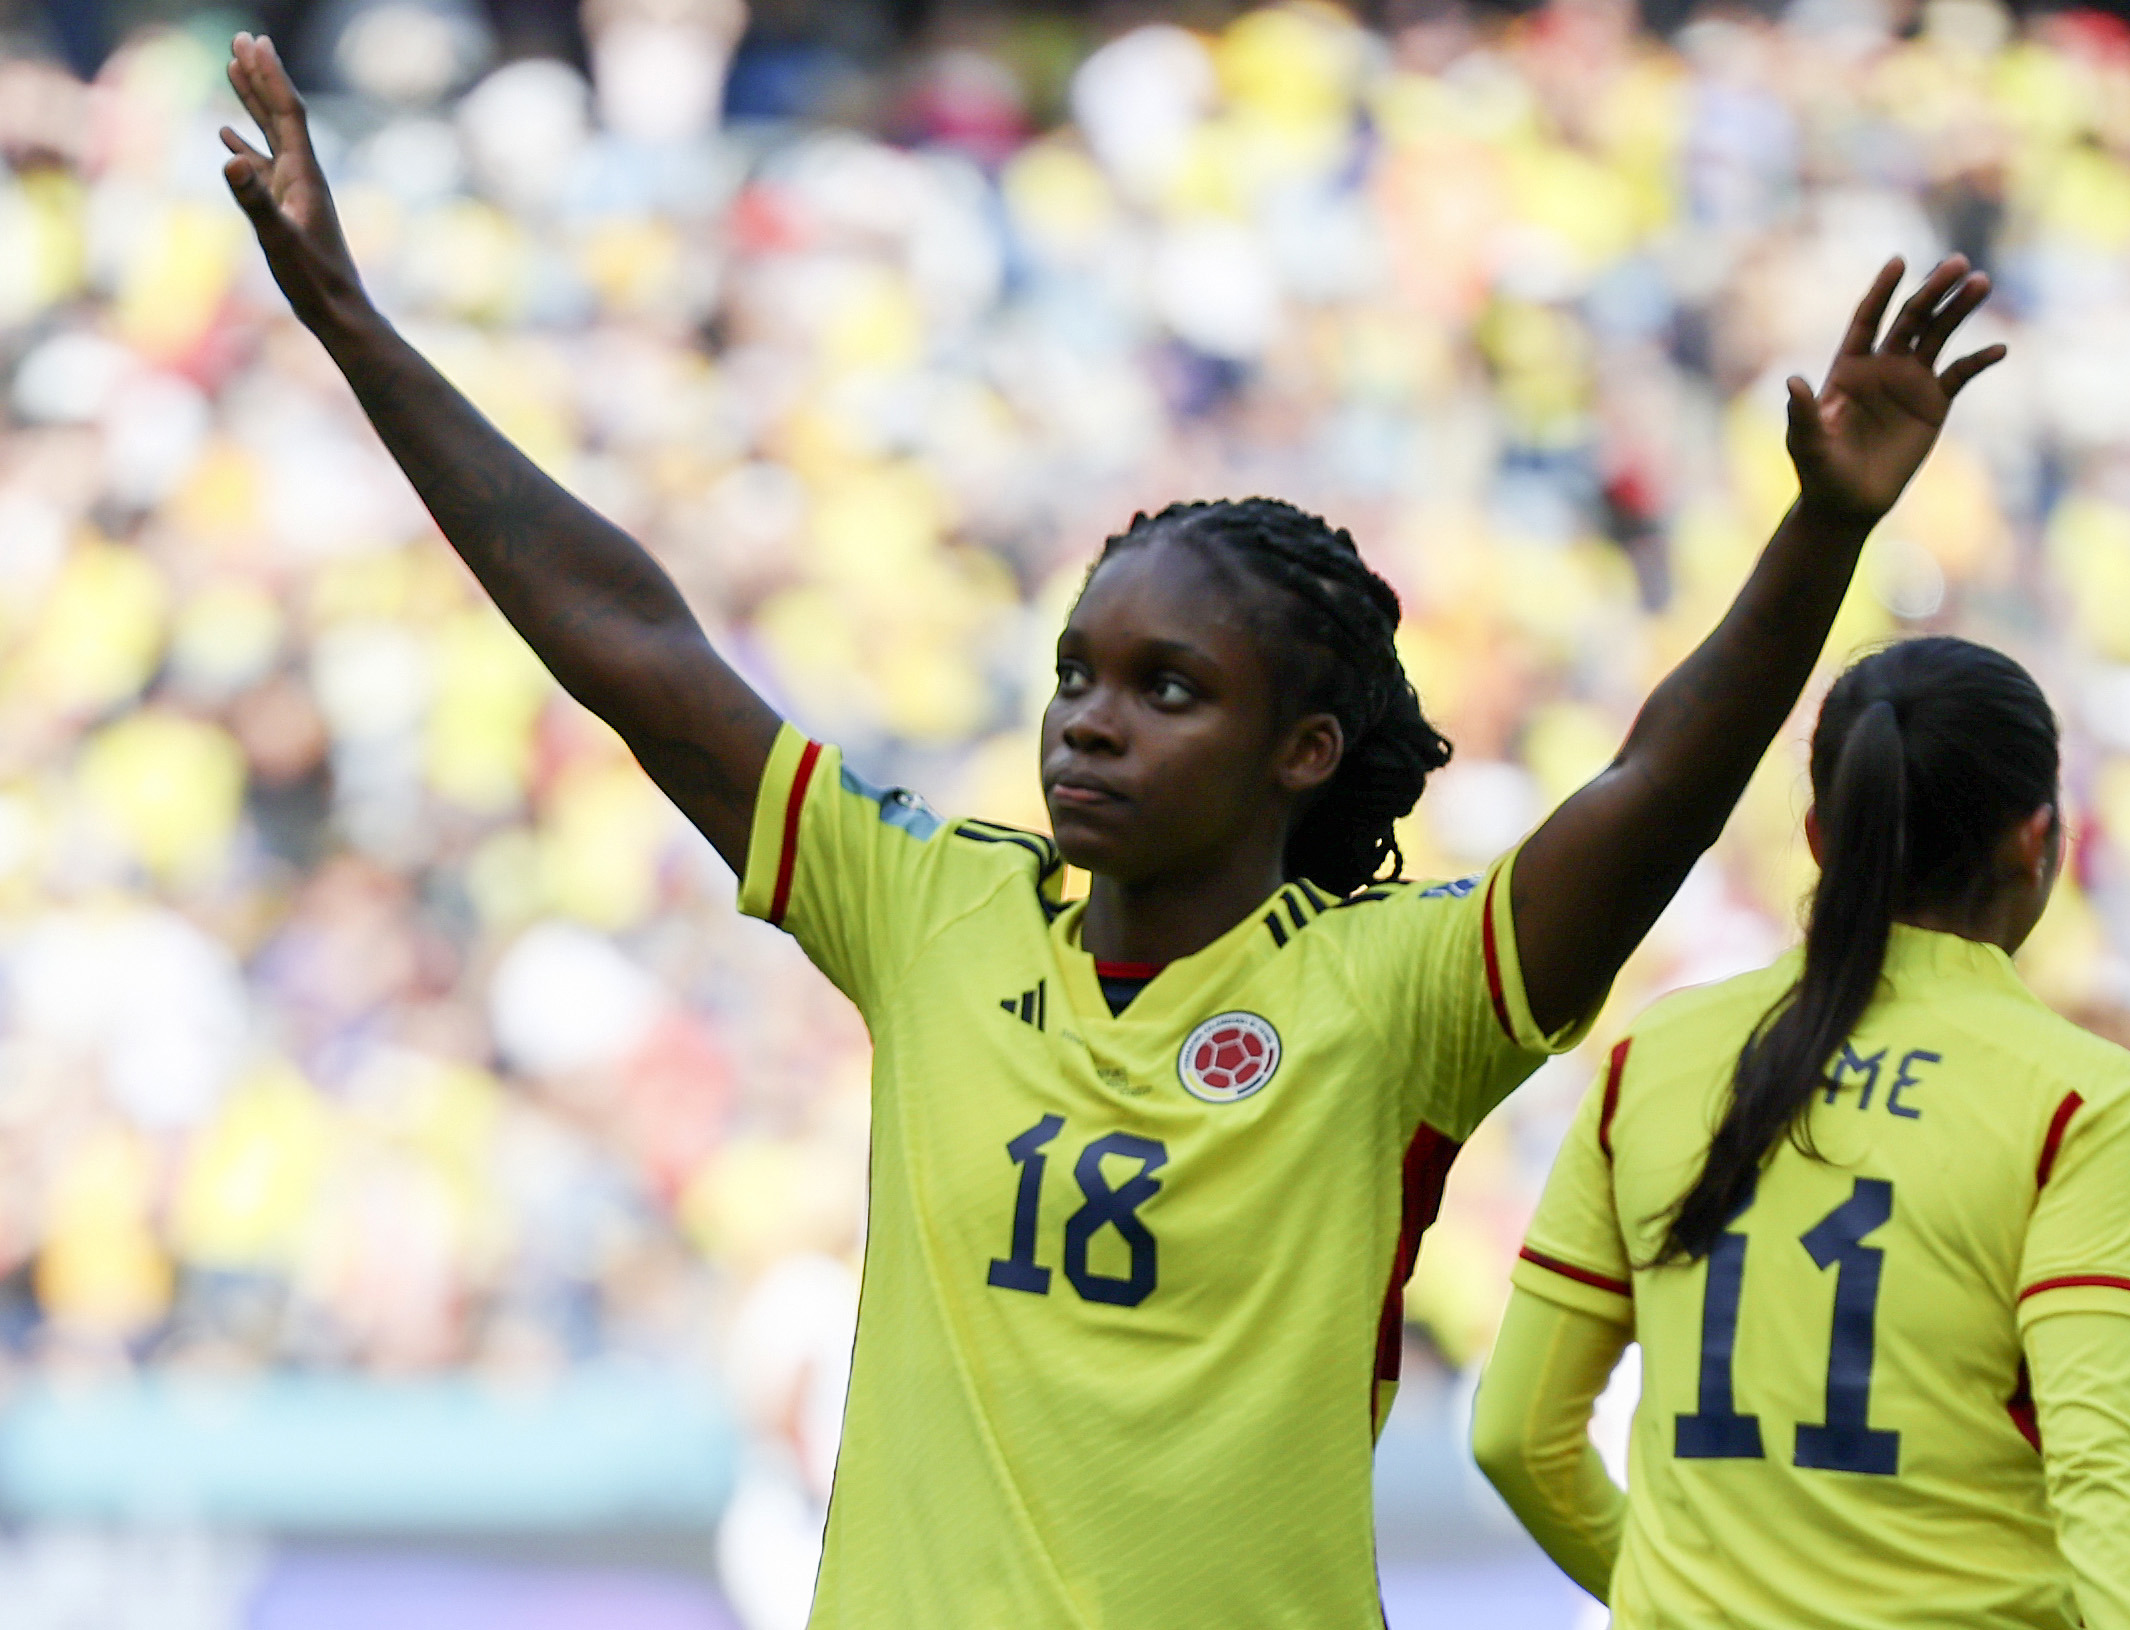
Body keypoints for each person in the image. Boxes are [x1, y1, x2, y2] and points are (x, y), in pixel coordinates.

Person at [216, 32, 2004, 1626]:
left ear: (1307, 750)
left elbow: (1653, 794)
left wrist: (1818, 537)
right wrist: (357, 332)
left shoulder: (1397, 1000)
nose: (1088, 715)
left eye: (1168, 689)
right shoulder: (930, 914)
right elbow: (636, 645)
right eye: (1078, 670)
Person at [1471, 636, 2130, 1629]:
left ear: (1819, 835)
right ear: (2035, 840)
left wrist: (1664, 1592)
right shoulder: (2079, 1098)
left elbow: (1516, 1435)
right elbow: (2109, 1470)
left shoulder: (1658, 1056)